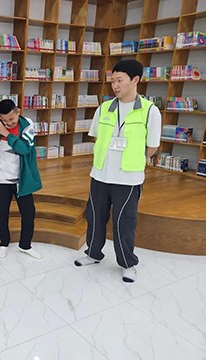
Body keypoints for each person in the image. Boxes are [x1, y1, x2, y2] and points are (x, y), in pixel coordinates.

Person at [74, 59, 161, 283]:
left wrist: (135, 161)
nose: (115, 85)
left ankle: (127, 263)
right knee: (94, 217)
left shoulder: (150, 111)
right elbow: (95, 136)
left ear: (135, 80)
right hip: (100, 175)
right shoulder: (104, 108)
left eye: (119, 80)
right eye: (113, 80)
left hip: (129, 178)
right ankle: (93, 254)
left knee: (125, 223)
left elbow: (152, 146)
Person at [0, 99, 43, 259]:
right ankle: (4, 243)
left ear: (18, 112)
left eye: (11, 120)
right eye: (4, 121)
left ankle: (25, 245)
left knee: (28, 213)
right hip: (2, 179)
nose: (8, 123)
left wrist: (7, 134)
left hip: (22, 180)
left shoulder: (27, 126)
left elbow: (25, 149)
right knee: (2, 213)